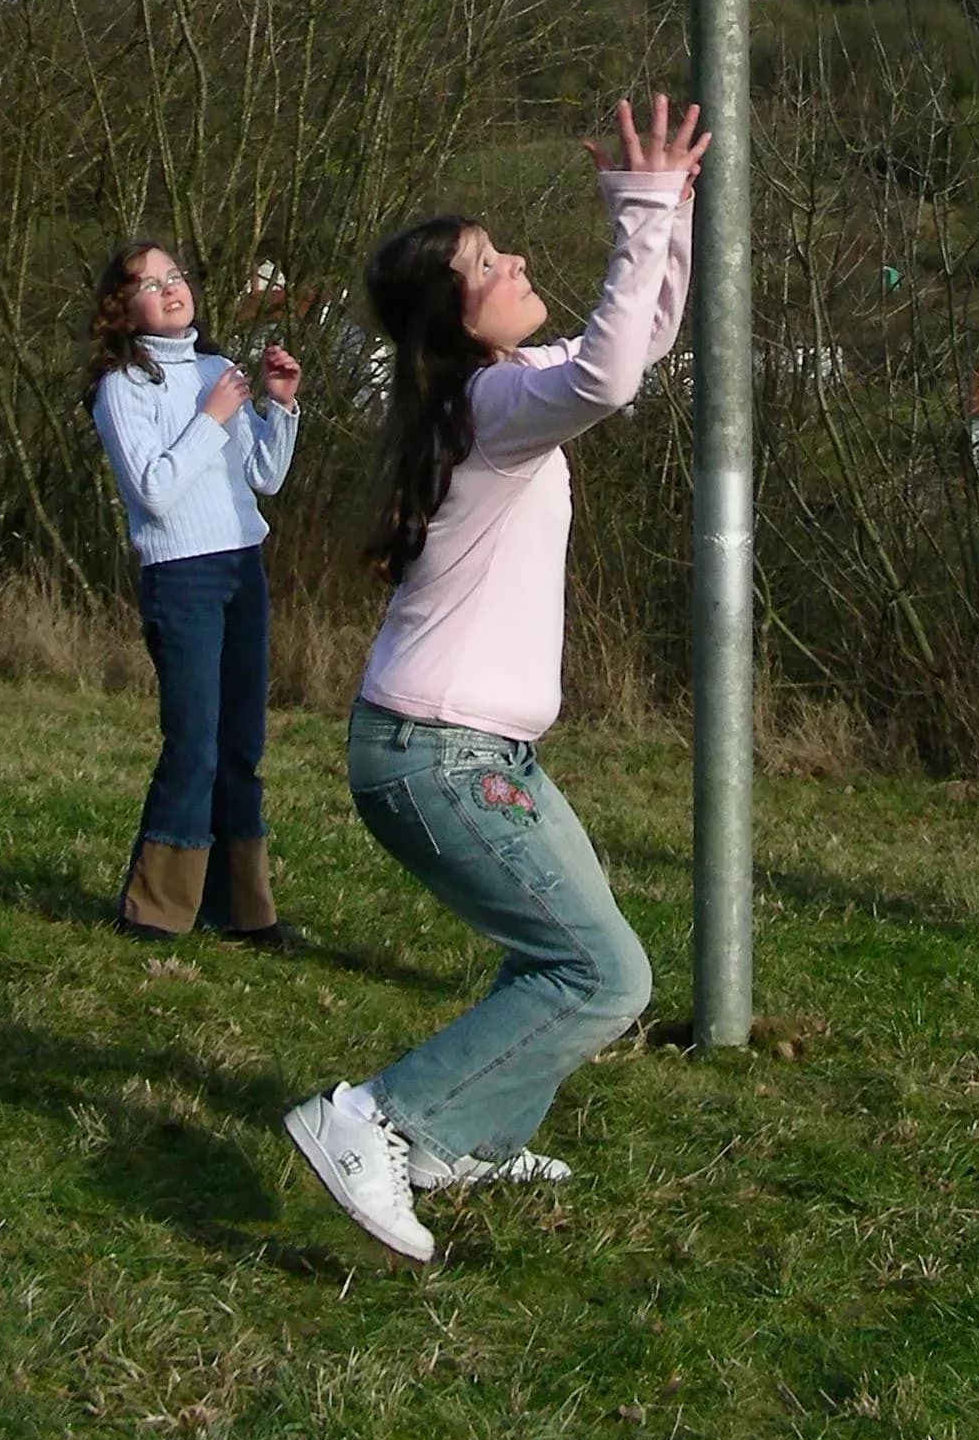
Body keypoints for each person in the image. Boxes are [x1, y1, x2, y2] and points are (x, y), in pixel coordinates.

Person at [285, 94, 705, 1261]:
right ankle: (373, 1119)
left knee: (567, 951)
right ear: (454, 317)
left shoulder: (491, 388)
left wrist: (667, 213)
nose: (515, 257)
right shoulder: (488, 401)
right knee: (605, 971)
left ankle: (462, 1140)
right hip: (437, 753)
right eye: (487, 261)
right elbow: (616, 377)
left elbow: (641, 341)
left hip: (468, 750)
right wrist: (640, 208)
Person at [86, 241, 302, 948]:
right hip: (181, 576)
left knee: (241, 744)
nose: (171, 289)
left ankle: (243, 910)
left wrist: (280, 407)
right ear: (125, 308)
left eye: (175, 274)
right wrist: (211, 416)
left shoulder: (220, 371)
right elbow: (154, 491)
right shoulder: (123, 387)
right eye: (150, 283)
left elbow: (264, 477)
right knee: (194, 744)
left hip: (245, 569)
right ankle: (153, 910)